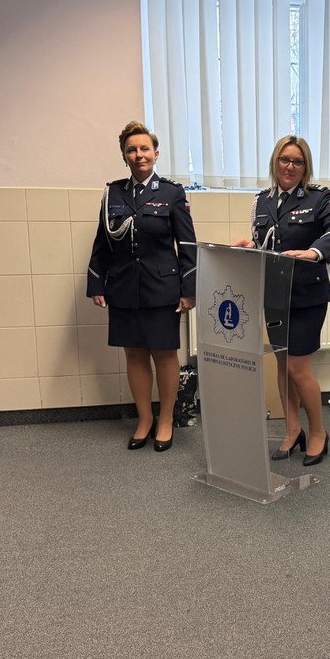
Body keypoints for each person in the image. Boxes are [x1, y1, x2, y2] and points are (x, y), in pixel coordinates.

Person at [232, 135, 330, 467]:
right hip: (274, 295)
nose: (290, 166)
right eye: (285, 159)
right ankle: (292, 429)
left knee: (298, 367)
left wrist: (315, 252)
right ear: (275, 162)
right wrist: (251, 247)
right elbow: (266, 243)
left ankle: (318, 432)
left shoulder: (318, 198)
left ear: (305, 167)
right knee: (283, 365)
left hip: (307, 296)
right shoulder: (262, 201)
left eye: (298, 161)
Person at [87, 120, 196, 452]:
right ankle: (145, 419)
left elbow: (187, 244)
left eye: (144, 148)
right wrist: (97, 283)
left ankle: (166, 419)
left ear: (156, 153)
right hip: (123, 286)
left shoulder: (172, 193)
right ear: (124, 156)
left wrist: (189, 289)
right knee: (134, 354)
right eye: (132, 150)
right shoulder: (113, 193)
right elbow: (103, 242)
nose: (139, 155)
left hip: (161, 287)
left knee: (164, 354)